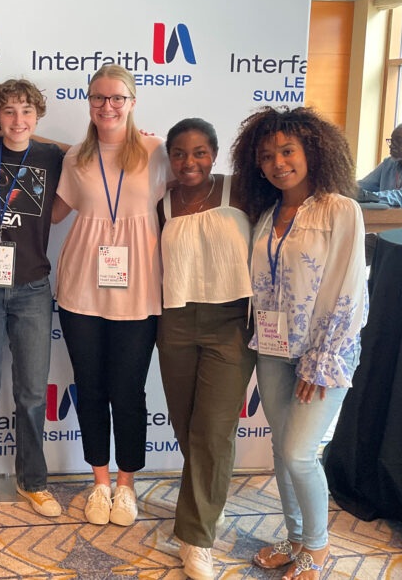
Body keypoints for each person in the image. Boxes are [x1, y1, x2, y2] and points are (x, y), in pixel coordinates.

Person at [231, 106, 367, 580]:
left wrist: (321, 359)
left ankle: (319, 547)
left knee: (299, 453)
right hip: (271, 347)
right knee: (280, 448)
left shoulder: (339, 209)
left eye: (287, 150)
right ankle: (294, 539)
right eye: (266, 156)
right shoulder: (267, 214)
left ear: (313, 149)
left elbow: (347, 288)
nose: (277, 162)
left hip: (321, 354)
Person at [51, 64, 169, 528]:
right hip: (81, 287)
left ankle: (126, 484)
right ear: (89, 102)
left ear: (133, 101)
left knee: (129, 390)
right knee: (92, 388)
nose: (107, 106)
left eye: (117, 98)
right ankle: (99, 481)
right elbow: (55, 214)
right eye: (99, 98)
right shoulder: (76, 158)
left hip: (139, 289)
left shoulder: (158, 153)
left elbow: (196, 188)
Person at [0, 79, 65, 519]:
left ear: (37, 116)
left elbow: (102, 154)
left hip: (32, 288)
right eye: (8, 112)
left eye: (25, 111)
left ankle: (33, 482)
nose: (17, 120)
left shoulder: (54, 158)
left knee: (31, 394)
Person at [156, 118, 255, 580]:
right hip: (175, 322)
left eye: (198, 152)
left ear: (214, 154)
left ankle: (195, 537)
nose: (188, 162)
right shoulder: (162, 203)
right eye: (179, 153)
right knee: (186, 424)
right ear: (169, 158)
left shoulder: (242, 191)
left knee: (214, 431)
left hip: (232, 324)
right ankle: (202, 507)